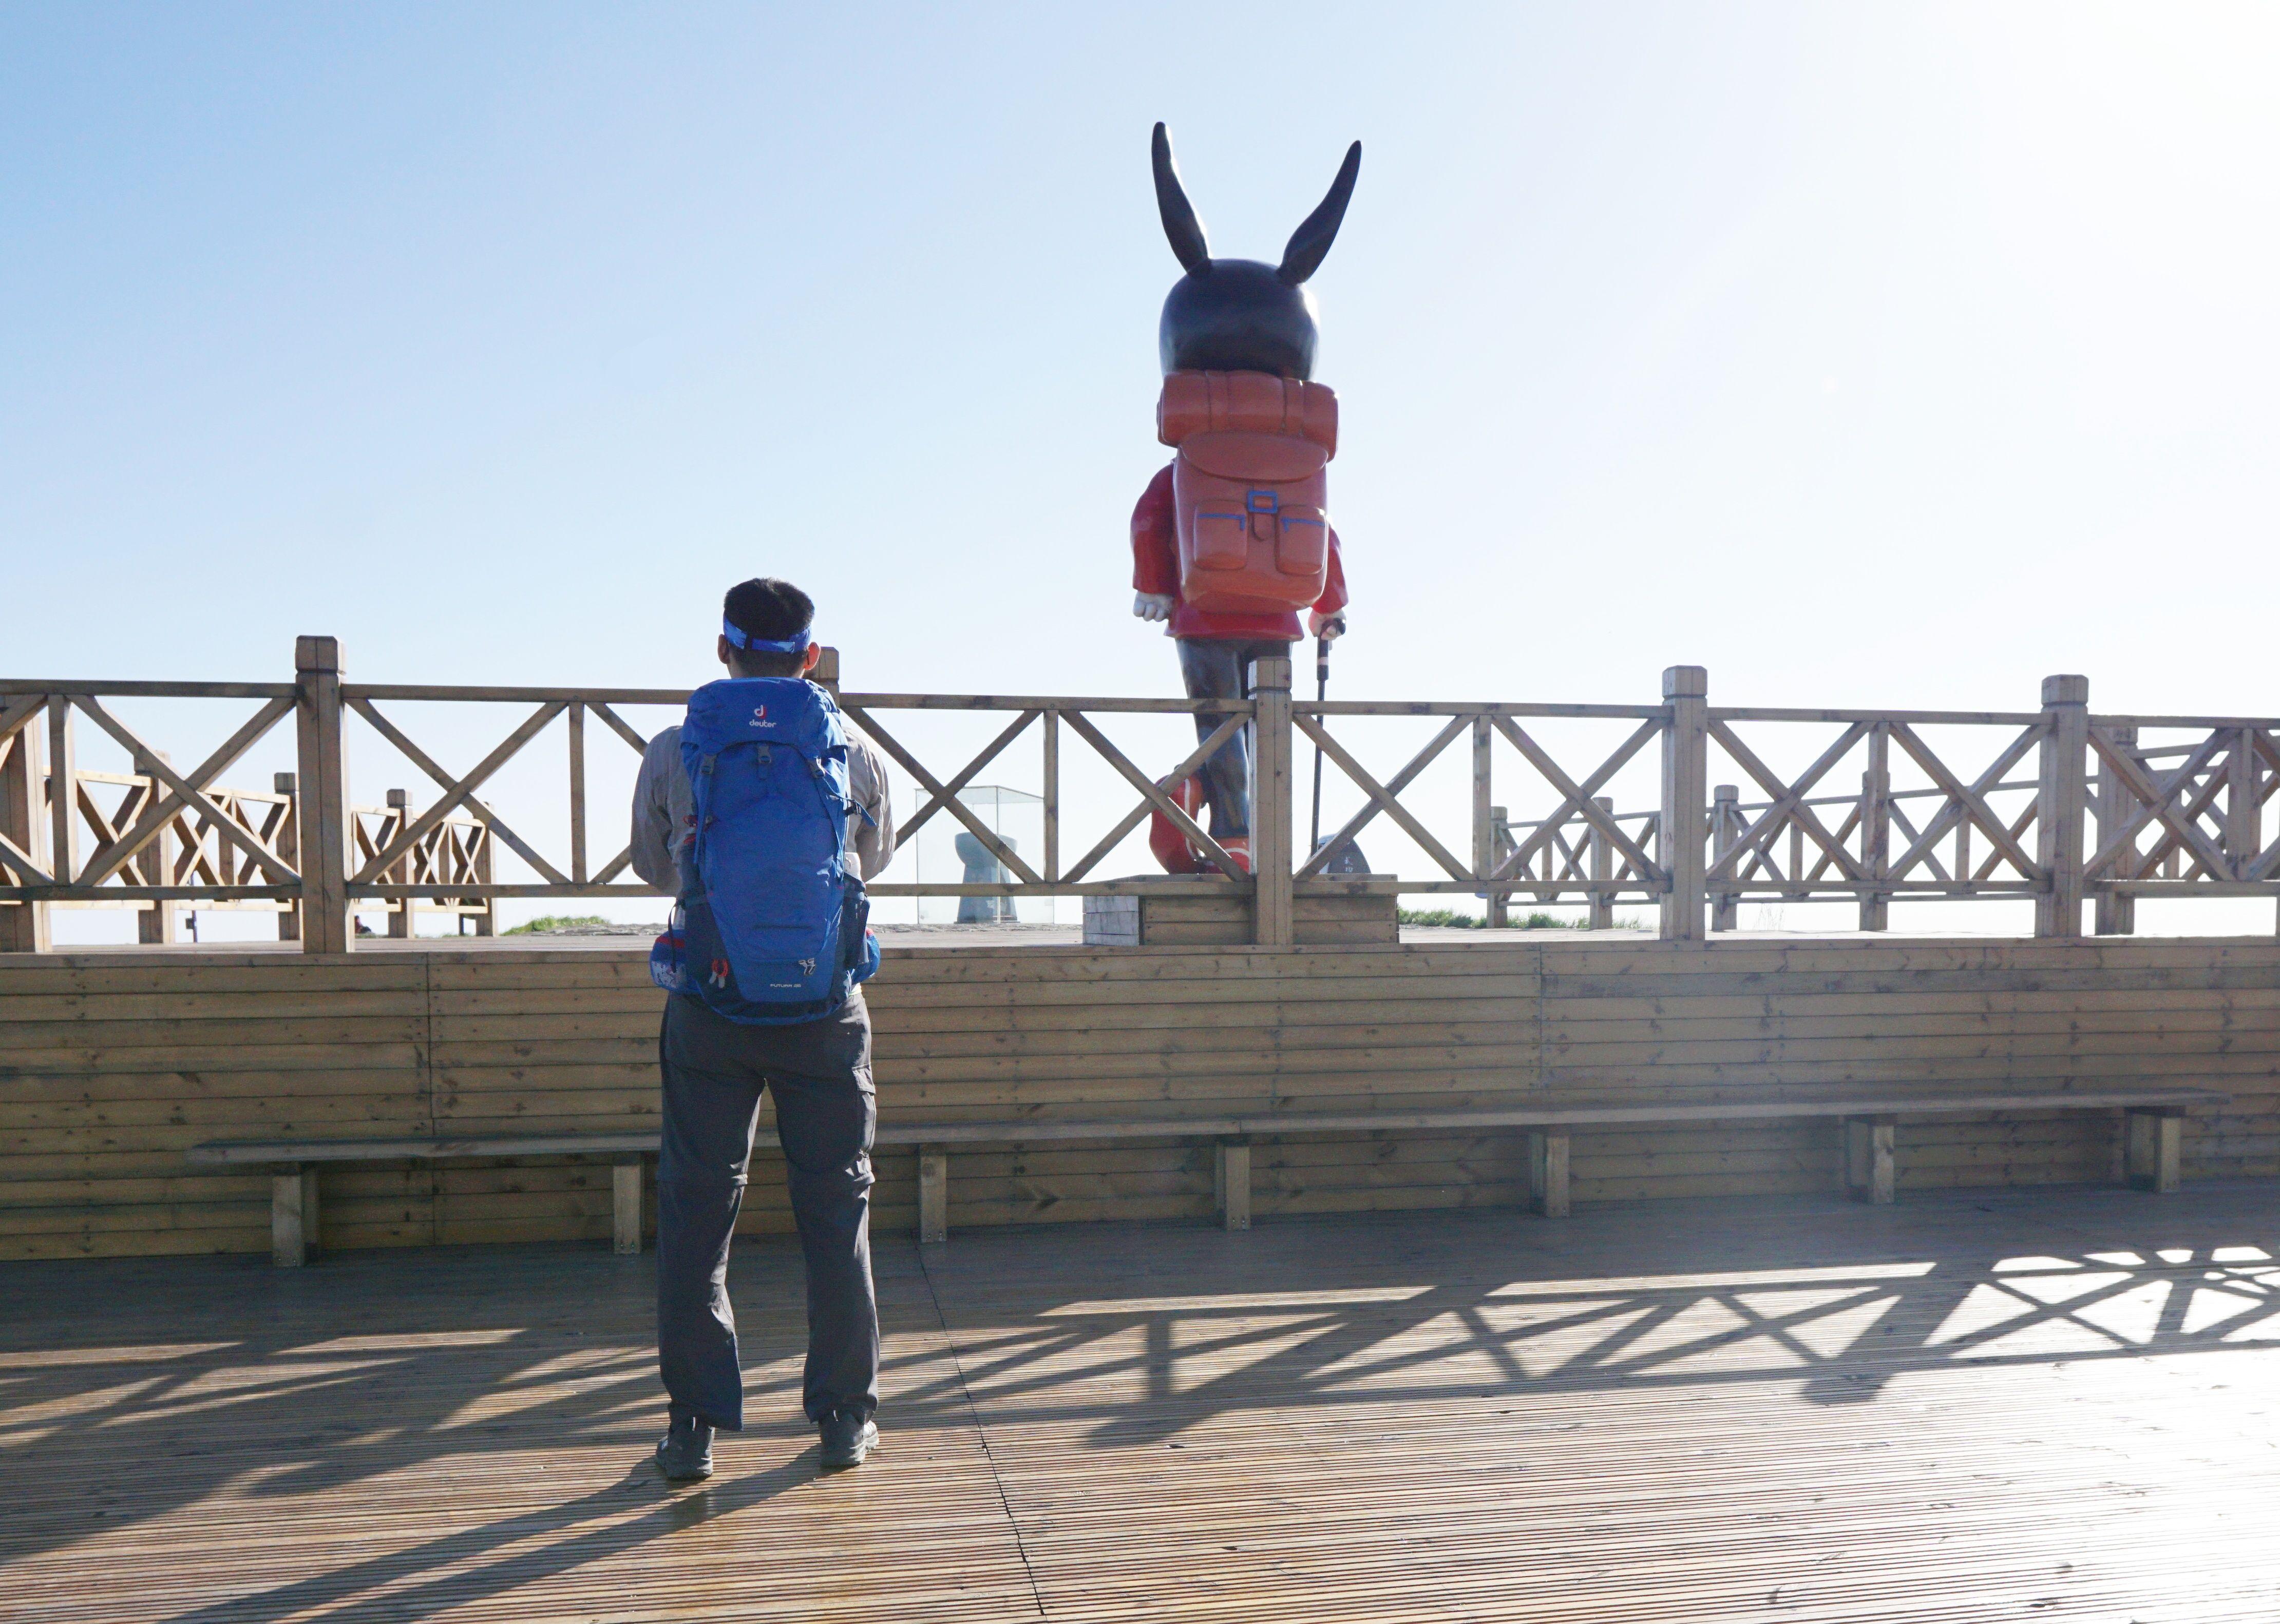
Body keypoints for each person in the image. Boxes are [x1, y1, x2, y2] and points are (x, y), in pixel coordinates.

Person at [629, 577, 896, 1478]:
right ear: (810, 658)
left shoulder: (677, 745)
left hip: (709, 1003)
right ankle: (844, 1417)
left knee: (698, 1214)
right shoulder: (851, 752)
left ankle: (694, 1427)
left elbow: (650, 862)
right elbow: (875, 859)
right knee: (838, 1210)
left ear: (723, 650)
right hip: (827, 1008)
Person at [1131, 474, 1347, 868]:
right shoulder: (1291, 472)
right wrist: (1329, 603)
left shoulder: (1189, 467)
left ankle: (1231, 835)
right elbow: (1322, 530)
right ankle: (1250, 838)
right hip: (1275, 615)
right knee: (1267, 730)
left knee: (1219, 726)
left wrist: (1153, 585)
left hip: (1202, 615)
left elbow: (1147, 521)